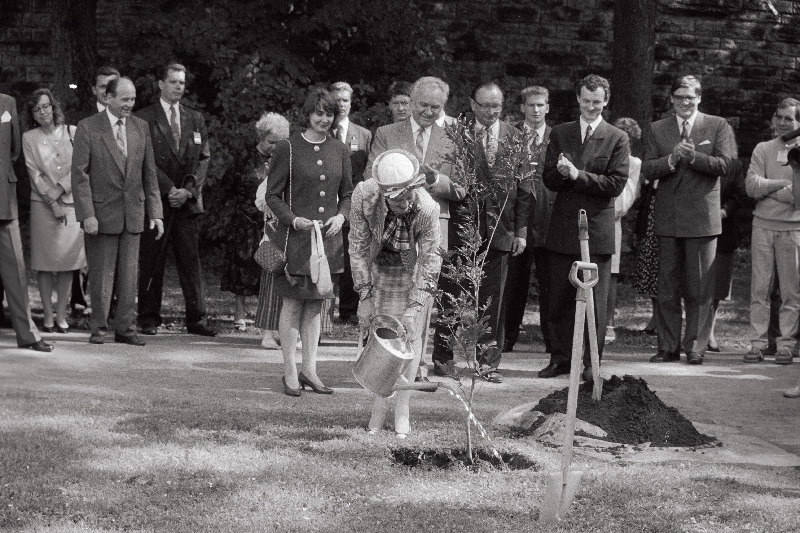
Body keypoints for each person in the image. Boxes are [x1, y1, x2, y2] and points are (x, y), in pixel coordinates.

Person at [540, 74, 630, 380]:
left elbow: (616, 184)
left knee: (597, 301)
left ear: (606, 101)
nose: (591, 107)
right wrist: (563, 173)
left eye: (597, 102)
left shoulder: (617, 137)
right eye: (586, 101)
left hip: (597, 229)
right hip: (564, 225)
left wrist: (578, 176)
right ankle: (560, 358)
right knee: (560, 297)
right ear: (578, 99)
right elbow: (548, 178)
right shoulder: (561, 133)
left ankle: (592, 362)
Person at [643, 75, 737, 365]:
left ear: (699, 99)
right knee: (667, 286)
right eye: (680, 96)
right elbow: (647, 168)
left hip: (702, 219)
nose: (685, 102)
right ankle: (667, 347)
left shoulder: (717, 125)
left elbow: (727, 165)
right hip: (668, 219)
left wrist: (694, 157)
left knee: (700, 287)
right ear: (671, 98)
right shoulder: (657, 129)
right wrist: (671, 159)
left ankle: (695, 347)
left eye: (691, 97)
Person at [266, 88, 353, 396]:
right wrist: (293, 219)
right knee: (291, 303)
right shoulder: (287, 148)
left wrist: (342, 217)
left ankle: (310, 370)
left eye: (329, 114)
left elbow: (348, 195)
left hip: (327, 242)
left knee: (316, 306)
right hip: (295, 241)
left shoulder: (340, 149)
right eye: (318, 113)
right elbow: (272, 196)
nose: (323, 119)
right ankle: (289, 371)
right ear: (307, 114)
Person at [351, 149, 441, 438]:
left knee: (409, 339)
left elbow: (429, 261)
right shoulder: (364, 196)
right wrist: (364, 297)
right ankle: (378, 409)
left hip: (412, 268)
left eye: (409, 194)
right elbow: (358, 247)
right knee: (383, 335)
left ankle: (403, 409)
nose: (405, 202)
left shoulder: (427, 208)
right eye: (398, 198)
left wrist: (414, 308)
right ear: (384, 193)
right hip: (379, 265)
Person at [447, 81, 529, 383]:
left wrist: (521, 230)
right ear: (472, 105)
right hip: (462, 229)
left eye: (496, 106)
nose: (491, 111)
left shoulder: (516, 137)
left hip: (501, 231)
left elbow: (524, 188)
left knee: (492, 301)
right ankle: (444, 360)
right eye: (485, 105)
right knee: (452, 293)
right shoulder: (457, 134)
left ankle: (488, 364)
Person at [71, 76, 164, 346]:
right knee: (101, 278)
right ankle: (98, 329)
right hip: (100, 216)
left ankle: (126, 329)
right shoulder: (88, 127)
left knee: (129, 277)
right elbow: (79, 176)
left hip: (133, 214)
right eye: (124, 99)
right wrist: (87, 214)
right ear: (108, 98)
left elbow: (150, 174)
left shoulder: (141, 127)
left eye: (132, 99)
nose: (129, 104)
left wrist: (156, 213)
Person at [136, 63, 215, 337]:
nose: (178, 86)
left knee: (190, 262)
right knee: (151, 261)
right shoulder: (144, 118)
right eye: (173, 82)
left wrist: (189, 190)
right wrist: (169, 188)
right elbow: (143, 159)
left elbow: (204, 158)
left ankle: (197, 319)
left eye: (182, 82)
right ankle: (148, 318)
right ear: (160, 84)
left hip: (187, 201)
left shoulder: (195, 118)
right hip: (158, 200)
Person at [22, 89, 87, 333]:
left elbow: (81, 167)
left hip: (71, 205)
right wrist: (53, 203)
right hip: (42, 206)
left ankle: (62, 316)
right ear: (33, 115)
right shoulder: (29, 137)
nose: (43, 112)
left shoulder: (73, 132)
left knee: (67, 264)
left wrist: (61, 190)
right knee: (45, 263)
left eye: (46, 106)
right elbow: (33, 173)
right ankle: (48, 316)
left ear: (54, 107)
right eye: (37, 109)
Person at [743, 98, 800, 365]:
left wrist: (768, 188)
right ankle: (757, 343)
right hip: (762, 225)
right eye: (779, 117)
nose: (782, 123)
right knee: (759, 289)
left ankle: (786, 345)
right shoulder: (762, 149)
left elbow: (799, 198)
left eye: (788, 118)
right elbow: (751, 187)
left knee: (791, 291)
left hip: (793, 229)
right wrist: (783, 185)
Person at [0, 92, 52, 352]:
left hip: (3, 199)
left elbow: (14, 152)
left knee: (17, 273)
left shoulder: (8, 102)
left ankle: (28, 335)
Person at [503, 86, 552, 353]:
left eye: (541, 105)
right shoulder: (511, 136)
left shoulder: (558, 137)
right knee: (513, 282)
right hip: (516, 218)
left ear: (548, 108)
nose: (535, 110)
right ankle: (507, 337)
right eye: (531, 105)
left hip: (547, 218)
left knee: (550, 282)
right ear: (522, 108)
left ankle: (552, 340)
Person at [235, 112, 291, 340]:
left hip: (277, 227)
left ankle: (276, 328)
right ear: (262, 137)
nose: (276, 147)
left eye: (281, 142)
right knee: (254, 272)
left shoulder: (286, 159)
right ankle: (262, 325)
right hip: (250, 222)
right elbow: (237, 186)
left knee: (276, 276)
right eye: (272, 142)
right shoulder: (246, 157)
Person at [69, 65, 119, 315]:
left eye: (112, 86)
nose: (106, 92)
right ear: (93, 90)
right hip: (89, 197)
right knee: (82, 254)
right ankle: (79, 302)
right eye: (102, 86)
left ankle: (112, 308)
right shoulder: (82, 120)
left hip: (117, 200)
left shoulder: (129, 119)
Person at [329, 81, 373, 325]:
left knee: (350, 256)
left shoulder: (364, 134)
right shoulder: (322, 130)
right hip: (325, 204)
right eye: (337, 100)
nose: (341, 105)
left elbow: (368, 171)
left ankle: (347, 311)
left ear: (351, 102)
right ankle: (323, 309)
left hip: (354, 205)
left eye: (345, 100)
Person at [605, 117, 642, 344]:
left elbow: (625, 200)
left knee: (610, 273)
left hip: (612, 220)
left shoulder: (633, 163)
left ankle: (608, 323)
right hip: (592, 218)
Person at [707, 158, 744, 352]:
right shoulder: (698, 157)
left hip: (724, 229)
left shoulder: (735, 166)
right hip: (696, 226)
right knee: (695, 282)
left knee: (718, 285)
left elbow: (740, 194)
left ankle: (709, 332)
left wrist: (723, 212)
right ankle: (694, 332)